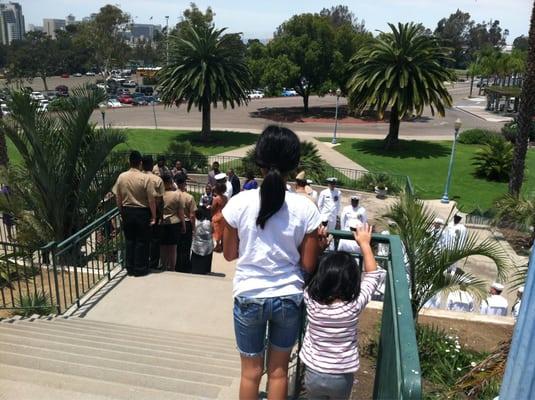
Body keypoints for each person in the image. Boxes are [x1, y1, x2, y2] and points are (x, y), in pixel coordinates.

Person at [222, 126, 327, 400]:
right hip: (288, 297)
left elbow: (230, 254)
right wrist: (319, 243)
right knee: (279, 372)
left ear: (259, 159)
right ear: (294, 165)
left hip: (249, 296)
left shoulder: (239, 203)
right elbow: (308, 265)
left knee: (250, 373)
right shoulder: (306, 208)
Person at [300, 223, 382, 400]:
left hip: (313, 372)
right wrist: (365, 244)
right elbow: (373, 276)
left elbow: (308, 274)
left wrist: (320, 249)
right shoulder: (353, 306)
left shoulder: (311, 300)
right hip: (341, 375)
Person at [115, 151, 157, 276]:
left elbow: (118, 197)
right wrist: (154, 216)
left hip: (127, 211)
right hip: (142, 212)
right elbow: (151, 200)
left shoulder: (121, 177)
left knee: (129, 240)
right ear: (140, 163)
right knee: (141, 241)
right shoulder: (146, 178)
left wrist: (121, 211)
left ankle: (130, 267)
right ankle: (140, 268)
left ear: (129, 162)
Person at [142, 155, 165, 270]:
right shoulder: (157, 179)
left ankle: (142, 261)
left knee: (141, 238)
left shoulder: (137, 177)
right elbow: (160, 200)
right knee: (154, 239)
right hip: (153, 212)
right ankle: (153, 264)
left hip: (139, 211)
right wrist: (160, 216)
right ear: (152, 165)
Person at [160, 174, 186, 270]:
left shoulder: (159, 195)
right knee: (173, 248)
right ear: (171, 183)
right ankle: (172, 268)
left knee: (163, 247)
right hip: (174, 223)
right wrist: (183, 225)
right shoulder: (177, 194)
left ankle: (163, 266)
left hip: (162, 223)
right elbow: (181, 212)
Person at [175, 175, 197, 273]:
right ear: (184, 184)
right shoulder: (189, 197)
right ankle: (185, 267)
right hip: (187, 223)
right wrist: (193, 228)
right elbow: (192, 215)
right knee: (186, 247)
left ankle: (176, 265)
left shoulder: (172, 195)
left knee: (177, 246)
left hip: (175, 223)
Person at [191, 207, 214, 274]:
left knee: (195, 254)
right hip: (207, 245)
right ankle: (206, 269)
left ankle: (194, 268)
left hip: (197, 245)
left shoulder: (195, 223)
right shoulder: (209, 222)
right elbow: (212, 231)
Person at [211, 182, 228, 252]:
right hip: (224, 215)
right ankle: (222, 245)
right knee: (223, 231)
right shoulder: (225, 198)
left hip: (217, 216)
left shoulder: (216, 199)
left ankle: (217, 246)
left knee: (217, 231)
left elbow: (213, 208)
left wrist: (211, 214)